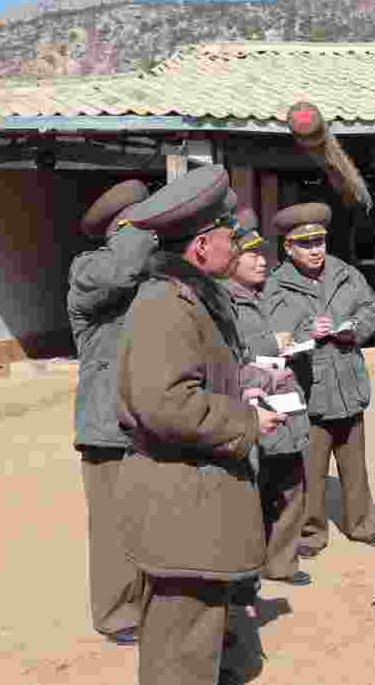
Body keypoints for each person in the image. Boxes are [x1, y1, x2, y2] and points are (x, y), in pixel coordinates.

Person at [113, 166, 289, 685]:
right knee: (180, 647)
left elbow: (196, 378)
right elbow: (165, 403)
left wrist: (245, 385)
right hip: (180, 500)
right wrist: (245, 418)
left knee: (196, 636)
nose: (237, 244)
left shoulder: (192, 297)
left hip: (194, 497)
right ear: (201, 245)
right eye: (229, 235)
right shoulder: (166, 304)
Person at [266, 202, 375, 558]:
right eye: (305, 244)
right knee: (310, 472)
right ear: (288, 247)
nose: (315, 249)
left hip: (348, 382)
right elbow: (273, 335)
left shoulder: (347, 274)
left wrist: (355, 330)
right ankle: (312, 533)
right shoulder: (276, 285)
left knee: (355, 466)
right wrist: (307, 332)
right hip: (309, 390)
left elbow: (369, 309)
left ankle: (362, 525)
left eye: (319, 241)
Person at [67, 179, 157, 646]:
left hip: (150, 419)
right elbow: (121, 272)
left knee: (152, 519)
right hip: (106, 425)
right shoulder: (90, 269)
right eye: (140, 223)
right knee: (113, 526)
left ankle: (150, 604)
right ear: (119, 229)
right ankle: (117, 611)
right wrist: (138, 230)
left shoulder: (147, 270)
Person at [225, 209, 313, 590]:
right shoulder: (223, 302)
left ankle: (282, 561)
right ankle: (245, 571)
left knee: (291, 483)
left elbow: (301, 322)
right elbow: (226, 351)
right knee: (251, 492)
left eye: (263, 254)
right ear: (231, 261)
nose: (262, 261)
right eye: (252, 255)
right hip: (250, 404)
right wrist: (269, 345)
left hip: (286, 399)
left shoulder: (272, 294)